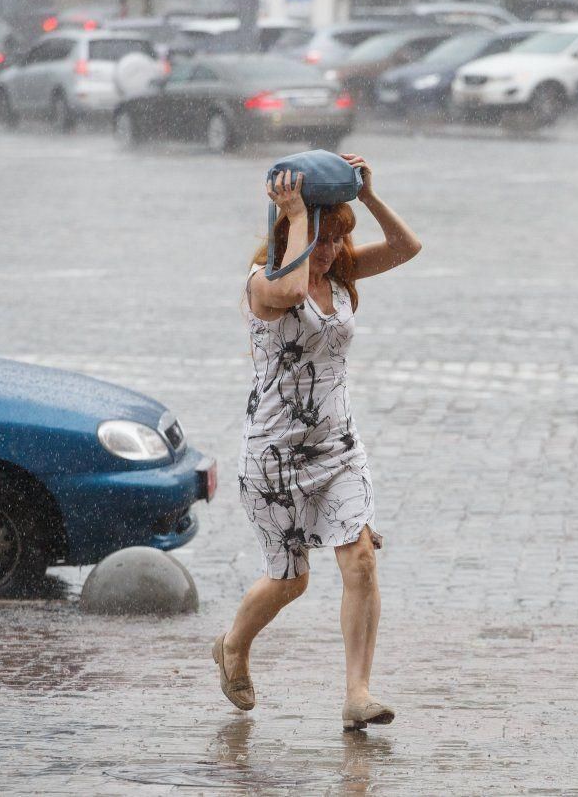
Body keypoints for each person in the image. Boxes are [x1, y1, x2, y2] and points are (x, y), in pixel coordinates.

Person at [213, 153, 422, 732]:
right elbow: (288, 282)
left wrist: (371, 196)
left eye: (336, 239)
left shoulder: (339, 279)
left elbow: (408, 248)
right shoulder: (265, 286)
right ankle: (233, 645)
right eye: (322, 238)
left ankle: (357, 692)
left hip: (338, 450)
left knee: (359, 559)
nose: (329, 251)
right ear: (291, 229)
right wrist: (296, 215)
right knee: (290, 580)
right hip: (274, 457)